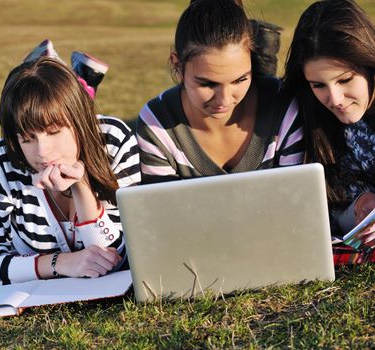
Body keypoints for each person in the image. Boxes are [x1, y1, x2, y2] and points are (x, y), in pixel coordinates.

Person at [0, 56, 140, 286]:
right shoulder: (1, 159)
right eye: (27, 139)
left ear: (78, 122)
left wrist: (81, 186)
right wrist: (62, 263)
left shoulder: (113, 142)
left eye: (54, 131)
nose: (42, 152)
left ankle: (80, 83)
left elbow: (126, 258)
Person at [136, 0, 305, 185]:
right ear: (177, 65)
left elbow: (295, 200)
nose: (224, 99)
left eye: (240, 80)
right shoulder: (156, 123)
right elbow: (161, 209)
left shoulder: (284, 107)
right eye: (208, 84)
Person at [283, 0, 375, 248]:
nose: (335, 100)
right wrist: (358, 209)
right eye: (318, 85)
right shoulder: (304, 117)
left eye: (345, 79)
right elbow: (325, 216)